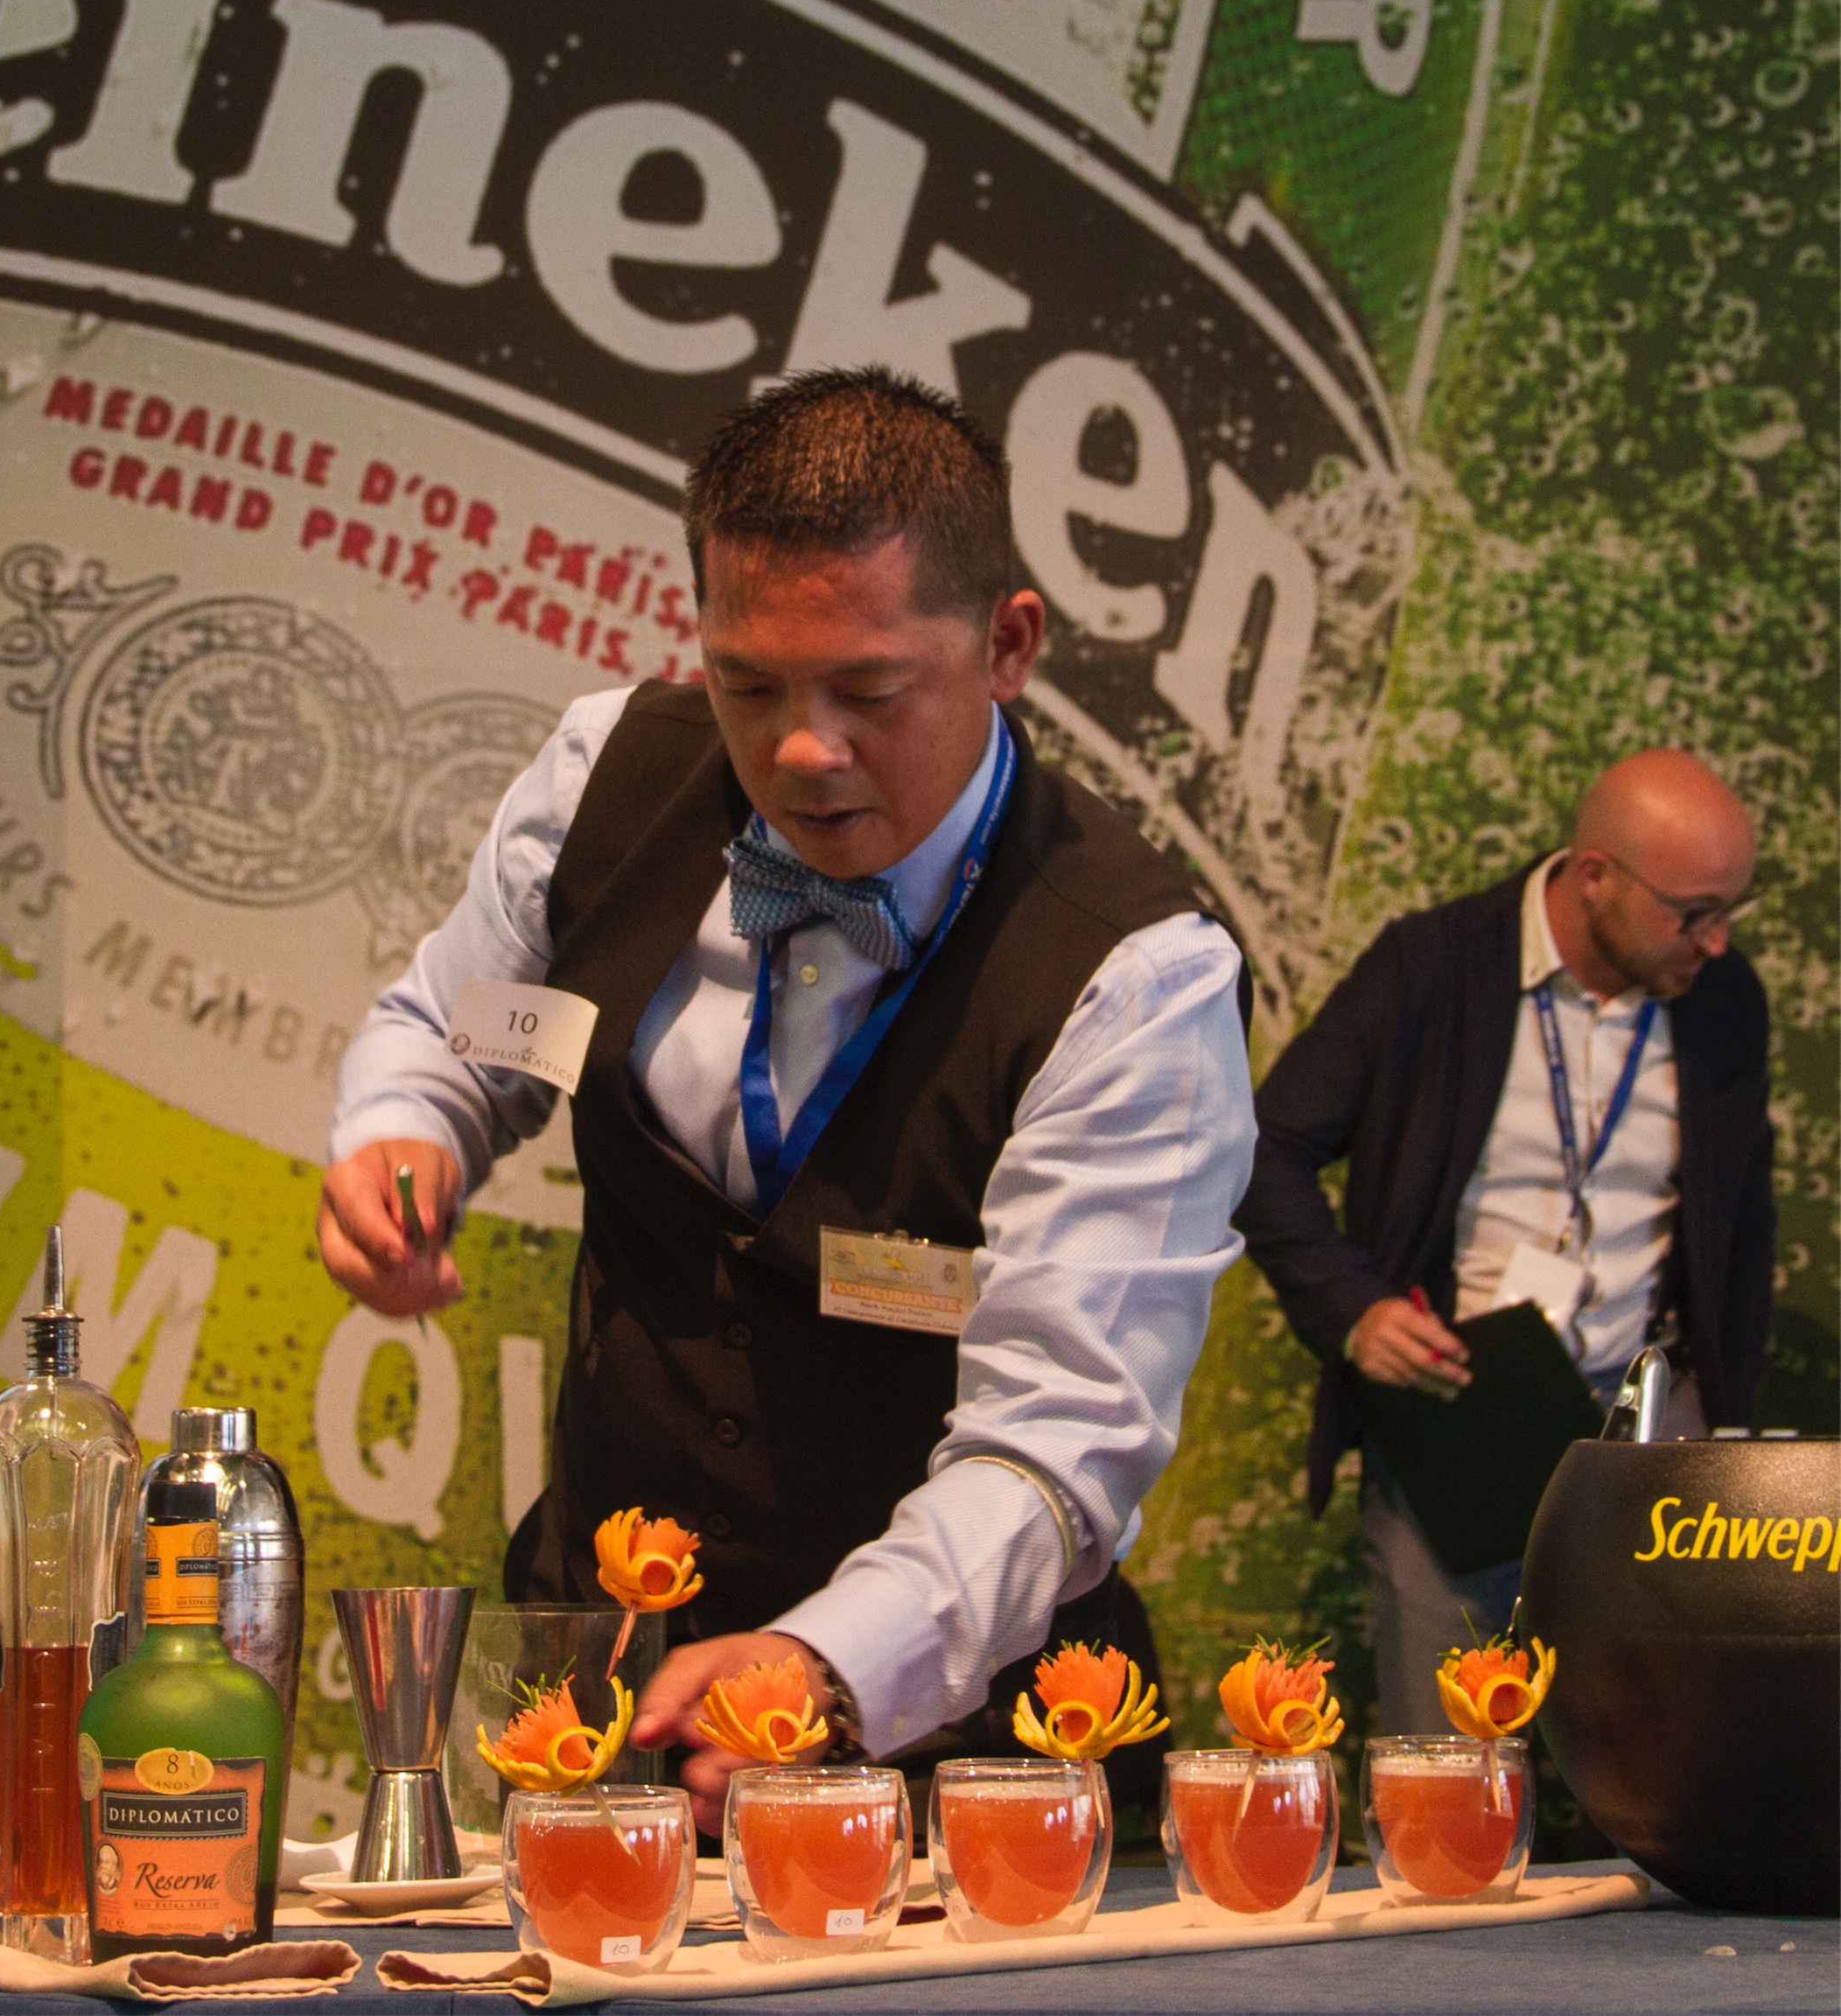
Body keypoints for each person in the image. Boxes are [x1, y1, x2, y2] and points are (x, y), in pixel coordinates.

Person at [318, 368, 1254, 1824]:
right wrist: (407, 1136)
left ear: (1009, 644)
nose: (804, 750)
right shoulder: (602, 784)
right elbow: (468, 1034)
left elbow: (1058, 1446)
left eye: (869, 692)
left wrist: (827, 1662)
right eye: (748, 685)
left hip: (965, 1758)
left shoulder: (1136, 979)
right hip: (611, 1688)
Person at [1237, 751, 1769, 1734]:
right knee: (1446, 1753)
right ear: (1594, 875)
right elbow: (1265, 1147)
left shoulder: (1723, 1000)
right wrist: (1355, 1310)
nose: (1717, 939)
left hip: (1649, 1427)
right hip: (1462, 1407)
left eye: (1730, 908)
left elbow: (1741, 1222)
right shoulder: (1431, 966)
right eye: (1692, 912)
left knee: (1667, 1754)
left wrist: (1729, 1426)